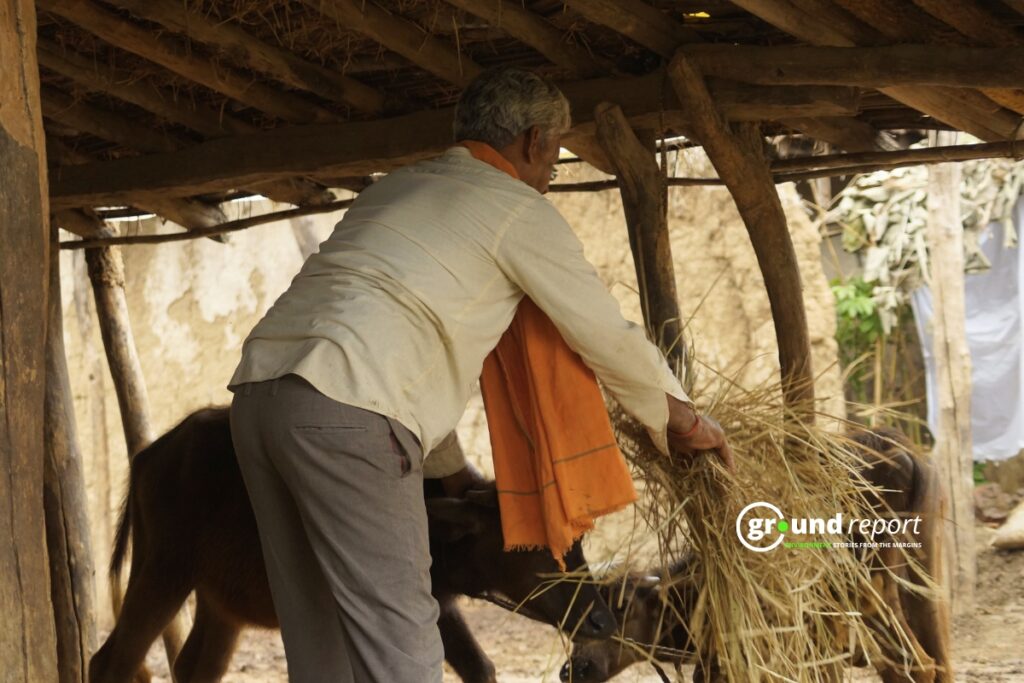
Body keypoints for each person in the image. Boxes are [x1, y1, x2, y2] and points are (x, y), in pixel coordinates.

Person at [227, 67, 733, 683]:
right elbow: (603, 333)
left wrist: (448, 474)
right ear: (534, 141)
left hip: (260, 398)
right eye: (558, 152)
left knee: (318, 625)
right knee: (400, 633)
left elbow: (396, 343)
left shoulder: (397, 188)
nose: (553, 172)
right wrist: (682, 419)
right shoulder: (515, 208)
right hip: (350, 414)